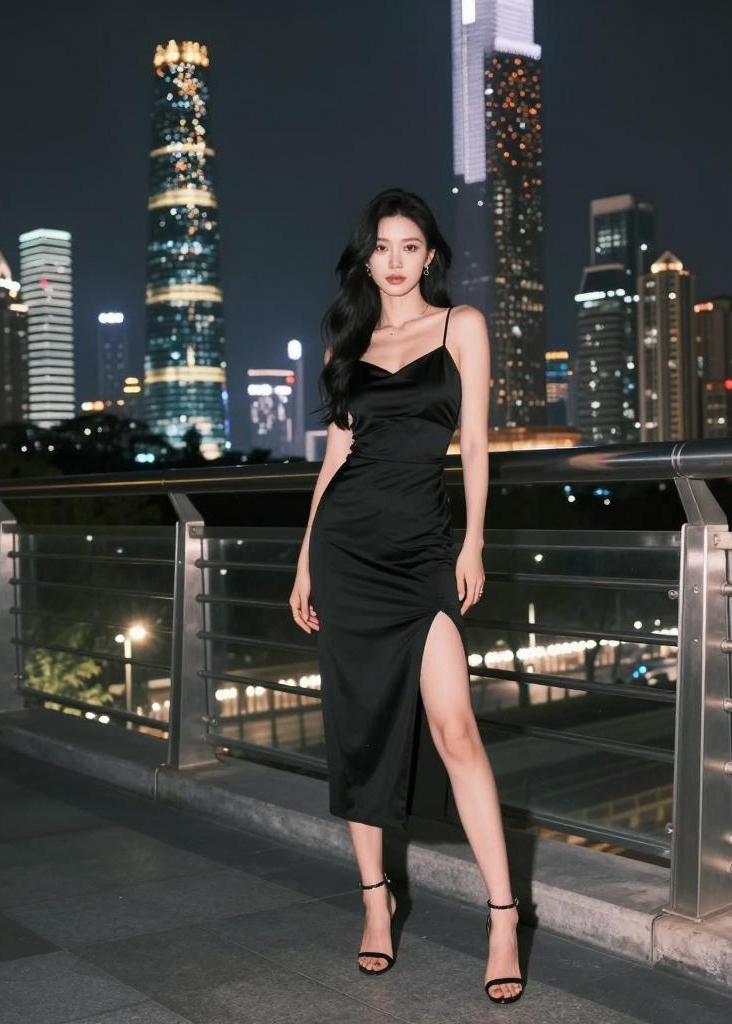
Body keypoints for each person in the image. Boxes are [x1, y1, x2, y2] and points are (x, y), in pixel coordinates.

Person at [289, 187, 524, 1004]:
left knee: (455, 728)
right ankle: (375, 906)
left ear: (430, 255)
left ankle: (503, 917)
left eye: (409, 246)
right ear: (366, 257)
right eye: (382, 247)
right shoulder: (345, 346)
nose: (394, 261)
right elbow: (333, 458)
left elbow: (476, 445)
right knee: (358, 731)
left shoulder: (462, 327)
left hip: (424, 550)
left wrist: (474, 541)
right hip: (347, 550)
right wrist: (304, 560)